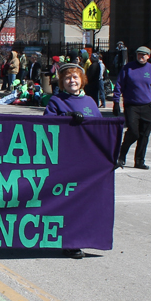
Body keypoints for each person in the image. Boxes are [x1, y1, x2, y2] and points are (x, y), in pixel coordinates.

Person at [44, 63, 102, 259]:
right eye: (68, 78)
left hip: (88, 160)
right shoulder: (56, 101)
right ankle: (70, 243)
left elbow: (102, 129)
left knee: (85, 203)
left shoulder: (91, 102)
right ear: (62, 82)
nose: (72, 81)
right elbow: (47, 125)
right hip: (67, 159)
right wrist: (66, 118)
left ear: (82, 80)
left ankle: (81, 238)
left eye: (75, 77)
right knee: (69, 202)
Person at [113, 46, 151, 170]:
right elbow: (119, 84)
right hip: (131, 105)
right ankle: (121, 156)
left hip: (146, 106)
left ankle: (139, 161)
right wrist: (116, 101)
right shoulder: (128, 68)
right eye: (139, 54)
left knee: (144, 135)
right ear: (136, 55)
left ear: (149, 56)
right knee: (133, 132)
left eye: (144, 55)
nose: (142, 57)